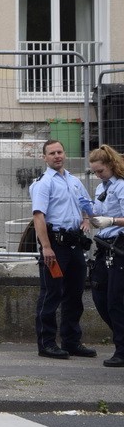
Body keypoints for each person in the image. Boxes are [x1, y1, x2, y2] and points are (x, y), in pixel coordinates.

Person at [30, 138, 96, 359]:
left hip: (74, 244)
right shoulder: (44, 183)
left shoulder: (74, 181)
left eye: (59, 152)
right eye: (52, 153)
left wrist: (86, 219)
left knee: (74, 295)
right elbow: (39, 216)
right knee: (51, 294)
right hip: (55, 245)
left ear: (64, 154)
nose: (57, 156)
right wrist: (46, 247)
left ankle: (71, 341)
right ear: (44, 157)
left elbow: (86, 204)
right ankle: (46, 344)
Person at [86, 144, 124, 367]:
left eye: (100, 171)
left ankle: (122, 348)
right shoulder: (103, 188)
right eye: (95, 172)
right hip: (104, 244)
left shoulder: (120, 186)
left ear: (111, 165)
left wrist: (111, 221)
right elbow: (97, 210)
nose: (98, 175)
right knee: (100, 296)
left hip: (119, 244)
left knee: (115, 300)